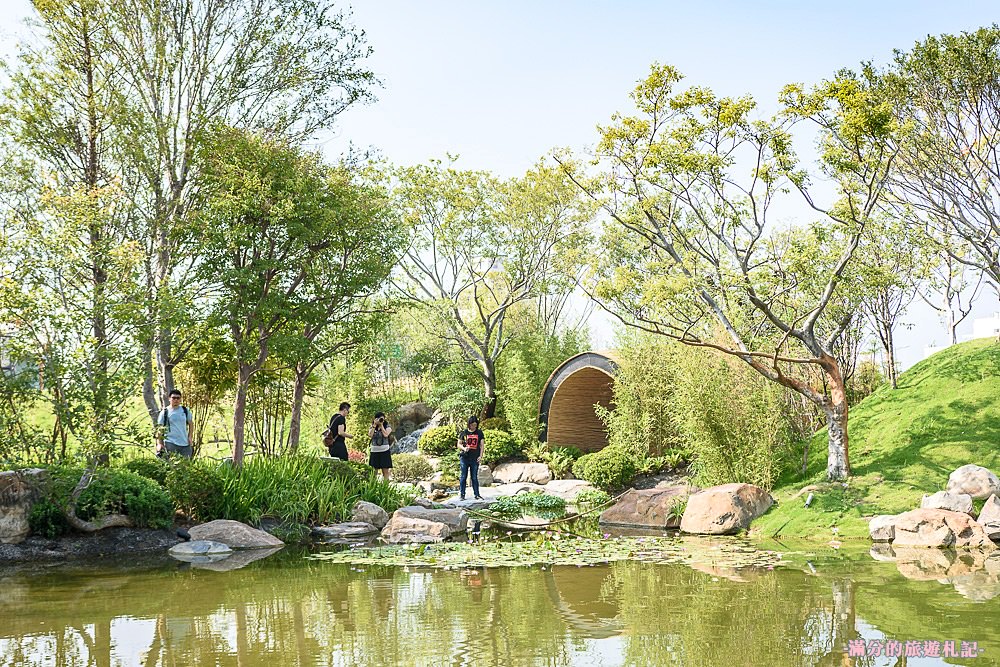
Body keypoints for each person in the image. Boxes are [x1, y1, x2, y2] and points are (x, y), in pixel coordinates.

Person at [156, 389, 194, 459]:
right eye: (173, 398)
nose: (176, 400)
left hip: (185, 443)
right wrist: (159, 444)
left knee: (186, 465)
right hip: (170, 442)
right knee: (172, 465)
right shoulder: (164, 412)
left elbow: (191, 423)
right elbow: (160, 429)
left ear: (180, 399)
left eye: (178, 398)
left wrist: (190, 437)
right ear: (169, 399)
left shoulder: (185, 410)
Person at [457, 416, 486, 501]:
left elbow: (482, 445)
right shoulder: (464, 433)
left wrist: (480, 456)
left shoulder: (479, 433)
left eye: (475, 425)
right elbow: (458, 444)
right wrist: (464, 448)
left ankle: (477, 494)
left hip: (475, 458)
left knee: (474, 477)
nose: (474, 426)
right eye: (472, 425)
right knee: (463, 476)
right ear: (469, 424)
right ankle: (462, 495)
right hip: (465, 457)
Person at [368, 412, 393, 480]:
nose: (380, 420)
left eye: (382, 419)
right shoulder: (372, 426)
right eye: (378, 418)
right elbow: (370, 435)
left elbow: (386, 435)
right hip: (374, 451)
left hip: (384, 451)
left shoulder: (387, 426)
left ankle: (385, 487)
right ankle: (373, 486)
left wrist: (381, 426)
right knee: (373, 472)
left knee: (385, 471)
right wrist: (374, 425)